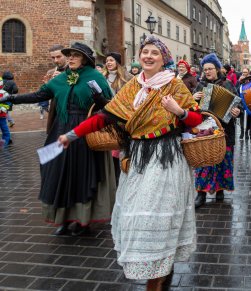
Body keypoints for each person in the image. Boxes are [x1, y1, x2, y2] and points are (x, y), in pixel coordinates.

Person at [58, 35, 202, 290]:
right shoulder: (132, 87)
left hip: (166, 159)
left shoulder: (175, 86)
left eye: (154, 53)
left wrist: (178, 111)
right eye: (145, 51)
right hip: (137, 159)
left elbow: (196, 119)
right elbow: (105, 116)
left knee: (160, 218)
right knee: (139, 216)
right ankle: (154, 271)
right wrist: (72, 135)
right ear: (139, 56)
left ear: (163, 59)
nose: (148, 56)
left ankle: (158, 279)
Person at [2, 42, 116, 236]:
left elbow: (109, 107)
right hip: (60, 130)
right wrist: (10, 98)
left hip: (84, 132)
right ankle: (62, 219)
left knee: (81, 176)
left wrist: (99, 99)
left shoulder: (96, 77)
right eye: (68, 55)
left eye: (75, 55)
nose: (70, 58)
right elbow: (38, 95)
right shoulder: (61, 79)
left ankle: (83, 221)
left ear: (85, 59)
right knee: (57, 173)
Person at [193, 53, 241, 207]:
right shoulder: (201, 86)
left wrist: (237, 111)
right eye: (205, 69)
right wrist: (193, 98)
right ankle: (201, 194)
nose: (207, 72)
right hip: (205, 131)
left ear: (217, 69)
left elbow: (238, 104)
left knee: (222, 160)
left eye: (210, 69)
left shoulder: (227, 85)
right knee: (204, 161)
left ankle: (220, 190)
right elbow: (193, 110)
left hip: (225, 130)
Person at [103, 52, 133, 184]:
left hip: (119, 117)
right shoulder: (102, 77)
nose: (108, 63)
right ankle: (109, 177)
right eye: (107, 61)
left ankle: (119, 177)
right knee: (106, 146)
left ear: (117, 62)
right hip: (104, 115)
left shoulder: (127, 78)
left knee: (118, 148)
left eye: (111, 60)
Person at [43, 44, 69, 134]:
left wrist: (64, 79)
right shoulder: (50, 72)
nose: (56, 60)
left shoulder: (73, 70)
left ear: (66, 56)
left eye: (58, 57)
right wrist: (48, 85)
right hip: (55, 109)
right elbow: (47, 94)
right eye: (53, 58)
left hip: (69, 111)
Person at [236, 67, 251, 140]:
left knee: (248, 118)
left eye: (246, 72)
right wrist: (239, 82)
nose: (244, 74)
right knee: (242, 118)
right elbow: (236, 90)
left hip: (249, 101)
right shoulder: (240, 80)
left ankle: (246, 132)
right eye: (243, 72)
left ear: (248, 73)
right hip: (241, 102)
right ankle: (242, 132)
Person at [0, 77, 11, 148]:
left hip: (2, 115)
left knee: (5, 130)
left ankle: (4, 144)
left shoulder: (4, 93)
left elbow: (8, 103)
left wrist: (3, 108)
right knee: (5, 131)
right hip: (2, 115)